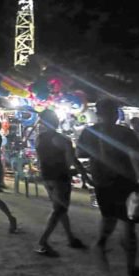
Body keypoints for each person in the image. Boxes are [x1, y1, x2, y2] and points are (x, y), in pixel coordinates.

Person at [77, 99, 139, 276]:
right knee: (128, 225)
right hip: (124, 182)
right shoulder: (125, 133)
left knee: (109, 218)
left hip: (101, 181)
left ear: (98, 113)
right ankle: (131, 267)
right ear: (116, 113)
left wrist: (98, 156)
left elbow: (80, 154)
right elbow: (136, 160)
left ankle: (100, 245)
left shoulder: (89, 132)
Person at [34, 110, 89, 257]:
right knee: (58, 210)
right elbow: (72, 161)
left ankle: (70, 237)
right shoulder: (62, 140)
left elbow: (39, 160)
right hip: (60, 177)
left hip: (47, 177)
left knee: (60, 208)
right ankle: (43, 242)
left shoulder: (39, 139)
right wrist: (83, 173)